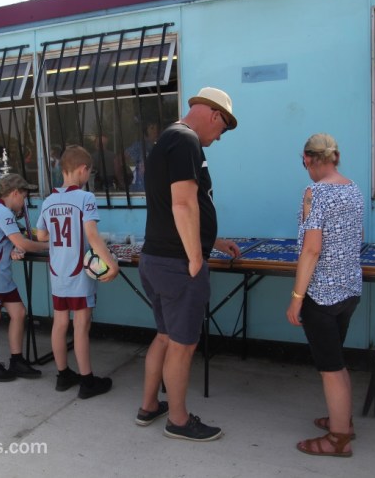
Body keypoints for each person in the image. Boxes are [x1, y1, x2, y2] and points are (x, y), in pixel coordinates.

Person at [137, 87, 240, 442]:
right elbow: (182, 204)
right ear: (214, 115)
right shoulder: (186, 141)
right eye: (223, 128)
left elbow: (173, 207)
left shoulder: (168, 138)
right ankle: (178, 421)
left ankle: (149, 406)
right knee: (182, 345)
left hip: (156, 257)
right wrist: (196, 258)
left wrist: (213, 241)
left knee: (164, 337)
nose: (219, 137)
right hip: (177, 264)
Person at [286, 133, 363, 458]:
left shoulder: (315, 193)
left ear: (307, 159)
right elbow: (355, 236)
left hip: (322, 295)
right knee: (338, 363)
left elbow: (312, 249)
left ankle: (338, 439)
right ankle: (342, 420)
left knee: (330, 369)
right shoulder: (353, 189)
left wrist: (297, 297)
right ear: (336, 157)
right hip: (349, 290)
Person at [36, 145, 120, 399]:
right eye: (89, 172)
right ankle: (87, 381)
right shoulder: (86, 198)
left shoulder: (48, 201)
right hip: (78, 274)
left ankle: (63, 375)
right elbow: (92, 235)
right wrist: (112, 263)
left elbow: (41, 235)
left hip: (57, 272)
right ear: (83, 170)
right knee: (81, 326)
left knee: (60, 323)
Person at [0, 174, 49, 382]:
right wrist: (50, 245)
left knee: (19, 312)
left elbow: (11, 241)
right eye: (24, 196)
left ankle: (17, 360)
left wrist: (15, 247)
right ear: (14, 193)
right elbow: (22, 242)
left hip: (1, 275)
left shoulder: (2, 212)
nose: (24, 202)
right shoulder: (2, 212)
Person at [124, 121, 160, 191]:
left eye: (157, 128)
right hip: (140, 191)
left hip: (153, 189)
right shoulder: (139, 146)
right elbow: (119, 160)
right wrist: (122, 181)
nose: (156, 131)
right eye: (152, 128)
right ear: (145, 131)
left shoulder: (157, 147)